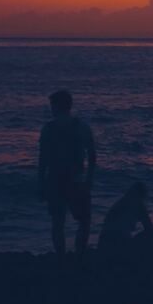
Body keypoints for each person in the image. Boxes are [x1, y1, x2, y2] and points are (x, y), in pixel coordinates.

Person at [37, 90, 96, 257]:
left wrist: (40, 183)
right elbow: (92, 156)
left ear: (56, 106)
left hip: (55, 180)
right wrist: (89, 180)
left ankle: (61, 257)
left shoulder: (48, 129)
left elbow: (43, 159)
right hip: (76, 180)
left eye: (52, 106)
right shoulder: (82, 127)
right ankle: (79, 253)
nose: (51, 109)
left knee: (58, 222)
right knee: (84, 220)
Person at [98, 181, 153, 258]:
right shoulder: (138, 204)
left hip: (103, 244)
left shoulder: (120, 203)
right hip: (118, 245)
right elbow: (149, 227)